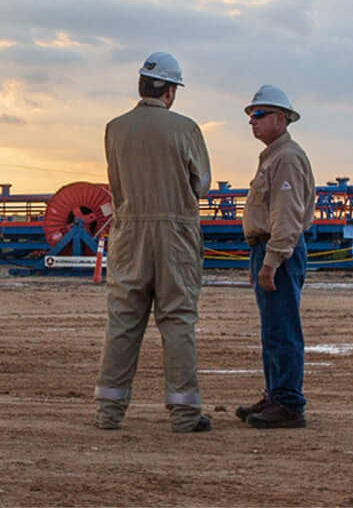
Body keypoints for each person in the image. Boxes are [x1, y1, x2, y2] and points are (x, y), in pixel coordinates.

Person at [94, 51, 213, 434]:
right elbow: (201, 184)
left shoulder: (115, 128)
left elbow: (114, 180)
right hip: (174, 233)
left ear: (142, 84)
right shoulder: (186, 128)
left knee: (124, 320)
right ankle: (184, 414)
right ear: (171, 91)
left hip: (128, 232)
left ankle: (109, 412)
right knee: (177, 320)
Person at [237, 85, 313, 429]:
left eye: (259, 115)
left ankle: (288, 402)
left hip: (278, 251)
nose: (252, 122)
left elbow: (286, 215)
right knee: (273, 328)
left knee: (282, 328)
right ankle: (276, 394)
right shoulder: (274, 157)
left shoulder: (286, 158)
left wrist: (272, 260)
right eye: (252, 116)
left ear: (280, 119)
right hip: (267, 249)